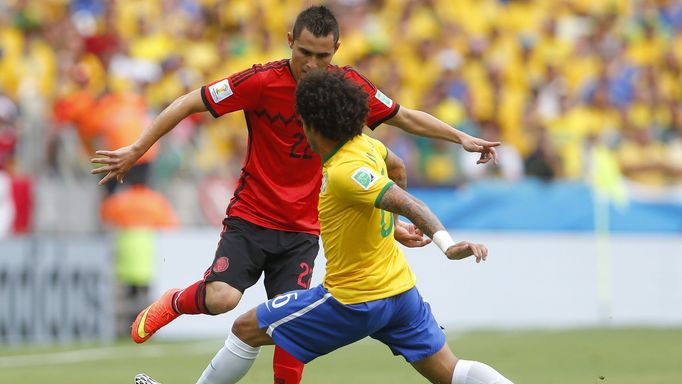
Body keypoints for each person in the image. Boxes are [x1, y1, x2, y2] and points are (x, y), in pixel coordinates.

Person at [91, 6, 499, 384]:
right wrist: (136, 149)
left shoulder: (346, 91)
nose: (313, 64)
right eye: (305, 52)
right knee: (222, 300)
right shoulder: (261, 82)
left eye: (323, 56)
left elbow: (403, 122)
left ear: (336, 49)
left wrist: (459, 136)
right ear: (290, 40)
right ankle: (177, 301)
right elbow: (187, 103)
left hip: (305, 229)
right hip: (253, 215)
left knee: (289, 338)